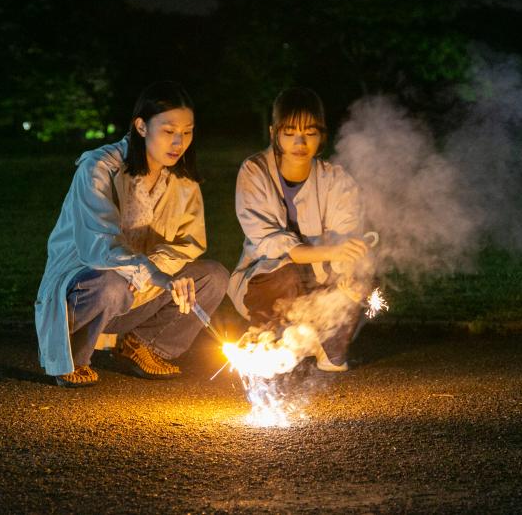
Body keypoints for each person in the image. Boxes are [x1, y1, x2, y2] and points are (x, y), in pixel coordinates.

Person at [35, 81, 229, 387]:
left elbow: (188, 243)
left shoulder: (182, 180)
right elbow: (100, 245)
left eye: (187, 132)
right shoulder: (98, 168)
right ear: (141, 126)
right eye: (169, 130)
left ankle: (144, 344)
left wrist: (158, 272)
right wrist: (151, 274)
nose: (178, 142)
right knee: (112, 284)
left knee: (213, 277)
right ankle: (73, 355)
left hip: (140, 289)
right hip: (88, 287)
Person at [227, 87, 370, 372]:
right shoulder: (255, 172)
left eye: (310, 133)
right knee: (286, 273)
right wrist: (333, 251)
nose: (300, 142)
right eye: (290, 132)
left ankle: (323, 340)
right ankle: (271, 337)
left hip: (321, 288)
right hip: (268, 283)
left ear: (322, 136)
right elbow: (272, 243)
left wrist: (349, 268)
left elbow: (346, 235)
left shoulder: (336, 179)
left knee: (366, 273)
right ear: (274, 133)